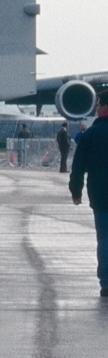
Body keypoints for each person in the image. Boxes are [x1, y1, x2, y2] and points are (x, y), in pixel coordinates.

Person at [69, 92, 108, 296]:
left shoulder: (91, 135)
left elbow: (78, 167)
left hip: (101, 194)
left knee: (104, 238)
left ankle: (107, 283)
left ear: (103, 108)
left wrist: (76, 191)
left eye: (98, 104)